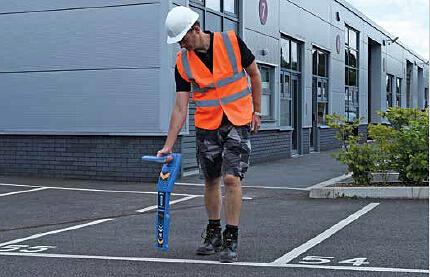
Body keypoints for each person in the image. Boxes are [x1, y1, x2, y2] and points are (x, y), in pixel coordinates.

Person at [158, 6, 262, 263]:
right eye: (179, 41)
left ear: (196, 28)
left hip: (237, 119)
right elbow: (181, 107)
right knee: (211, 180)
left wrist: (257, 111)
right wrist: (168, 145)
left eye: (184, 38)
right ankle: (214, 231)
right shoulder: (182, 62)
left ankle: (231, 236)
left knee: (231, 179)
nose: (182, 44)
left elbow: (255, 75)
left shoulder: (231, 41)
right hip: (207, 125)